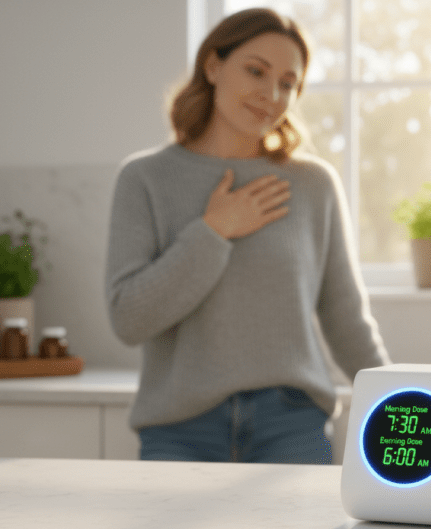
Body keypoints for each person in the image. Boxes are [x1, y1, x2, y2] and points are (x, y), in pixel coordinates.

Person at [105, 8, 390, 464]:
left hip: (292, 426)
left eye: (287, 84)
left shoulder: (313, 185)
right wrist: (213, 231)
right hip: (179, 430)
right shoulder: (144, 179)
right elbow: (129, 319)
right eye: (256, 71)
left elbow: (347, 321)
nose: (271, 95)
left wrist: (405, 404)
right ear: (213, 66)